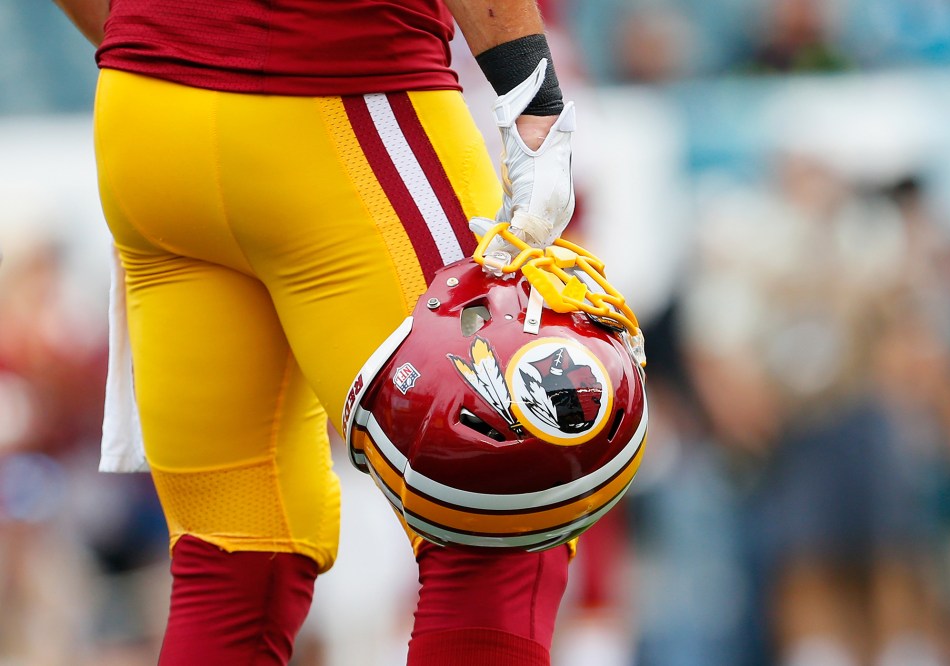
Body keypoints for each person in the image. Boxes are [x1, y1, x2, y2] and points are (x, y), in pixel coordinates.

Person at [50, 1, 578, 664]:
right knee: (508, 497)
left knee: (235, 557)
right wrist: (537, 103)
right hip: (337, 89)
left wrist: (169, 38)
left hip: (147, 116)